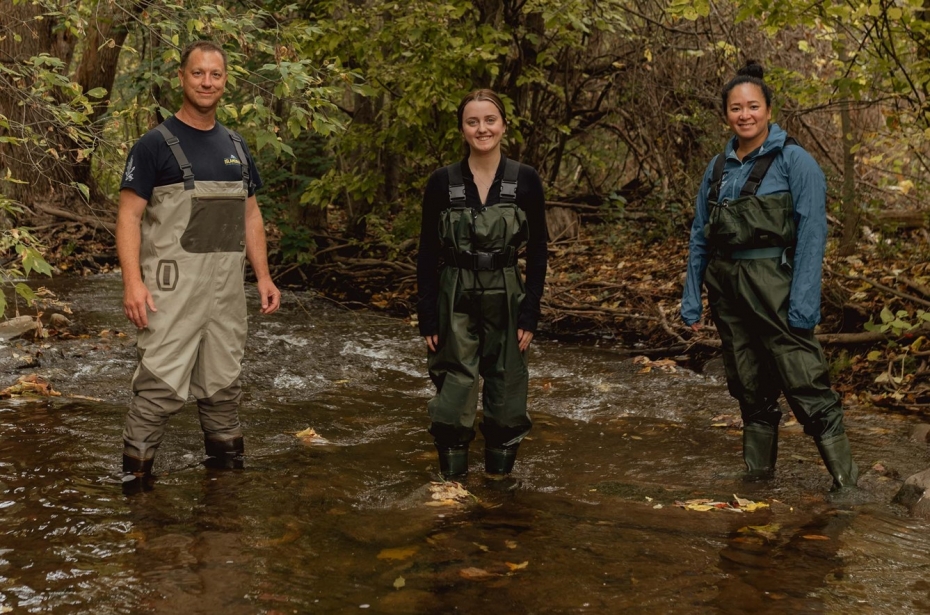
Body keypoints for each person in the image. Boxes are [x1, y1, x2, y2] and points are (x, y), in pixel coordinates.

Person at [681, 61, 858, 492]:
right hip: (727, 288)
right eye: (736, 108)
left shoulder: (796, 162)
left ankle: (847, 485)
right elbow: (699, 235)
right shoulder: (717, 168)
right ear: (726, 114)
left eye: (753, 107)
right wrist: (692, 298)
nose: (745, 115)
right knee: (747, 384)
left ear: (769, 110)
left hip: (776, 287)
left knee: (805, 381)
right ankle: (757, 481)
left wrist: (804, 304)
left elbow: (813, 233)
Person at [116, 40, 281, 492]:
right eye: (198, 73)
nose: (207, 82)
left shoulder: (237, 145)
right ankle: (135, 490)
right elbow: (129, 216)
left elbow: (251, 215)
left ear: (225, 81)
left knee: (223, 388)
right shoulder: (153, 146)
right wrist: (133, 283)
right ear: (182, 78)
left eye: (215, 74)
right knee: (158, 389)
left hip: (226, 292)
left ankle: (224, 500)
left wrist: (263, 277)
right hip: (171, 289)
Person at [416, 89, 548, 481]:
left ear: (503, 125)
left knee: (507, 386)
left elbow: (539, 249)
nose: (482, 128)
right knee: (455, 386)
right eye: (472, 122)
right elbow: (426, 252)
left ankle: (498, 487)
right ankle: (452, 483)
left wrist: (531, 310)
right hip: (453, 292)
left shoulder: (525, 179)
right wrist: (427, 315)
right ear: (462, 129)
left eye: (489, 120)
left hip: (508, 291)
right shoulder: (442, 182)